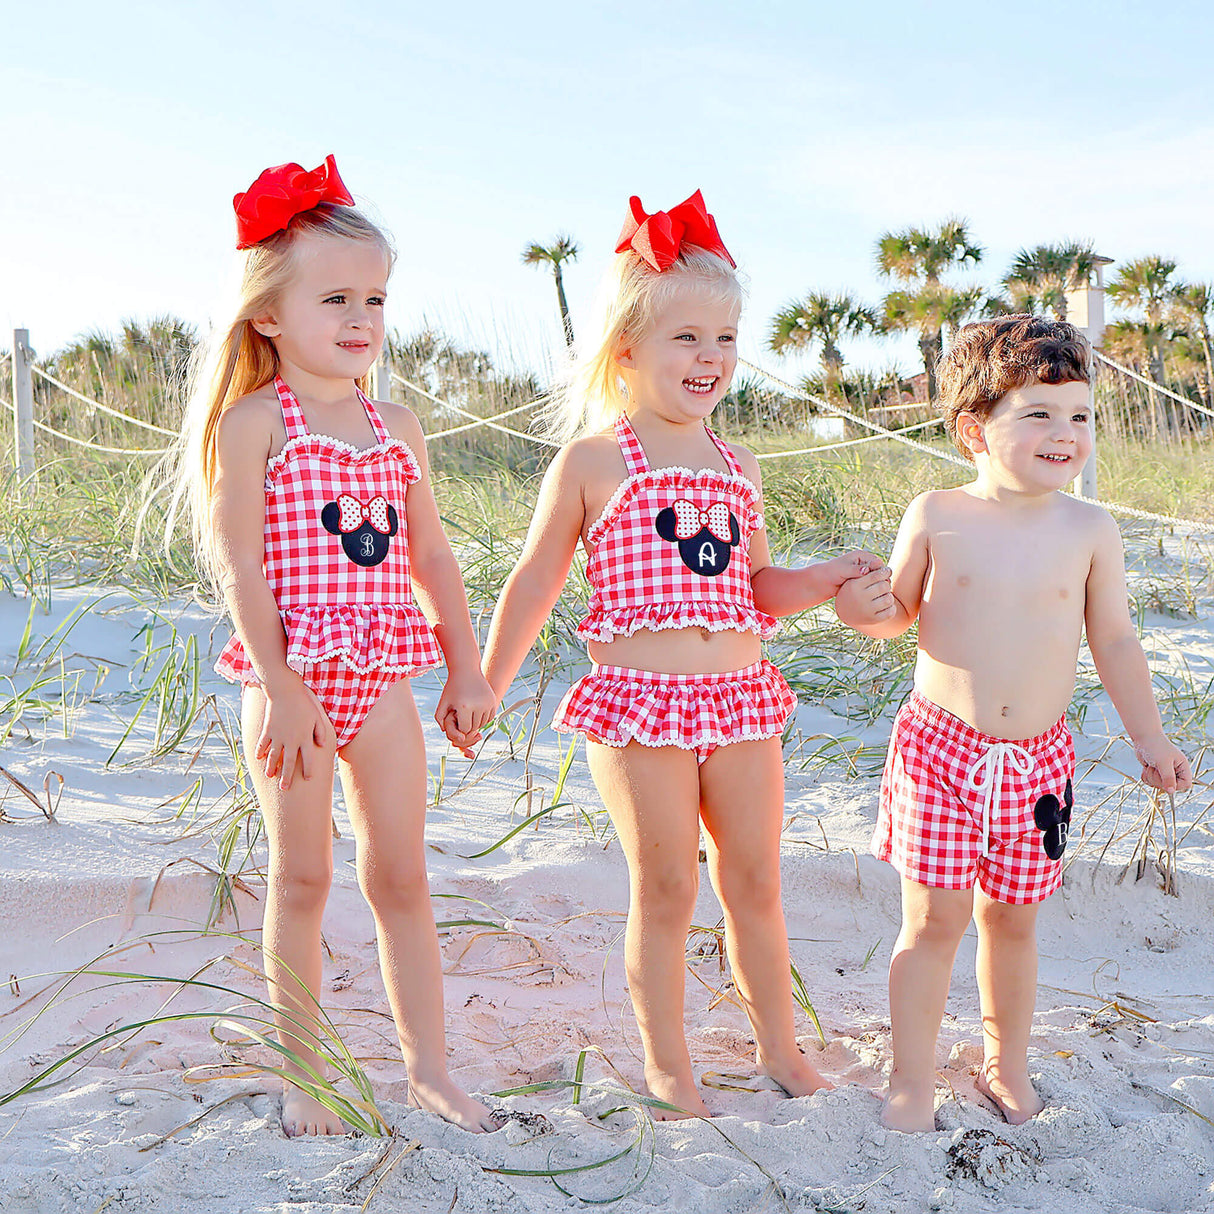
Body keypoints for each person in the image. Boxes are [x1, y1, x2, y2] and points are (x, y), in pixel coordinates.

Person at [479, 191, 888, 1118]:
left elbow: (754, 590)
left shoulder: (737, 464)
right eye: (686, 340)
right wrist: (487, 683)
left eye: (726, 339)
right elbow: (536, 582)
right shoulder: (595, 461)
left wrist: (822, 576)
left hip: (739, 697)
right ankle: (669, 1066)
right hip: (638, 701)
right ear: (626, 347)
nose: (710, 359)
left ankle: (780, 1050)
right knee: (665, 887)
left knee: (755, 883)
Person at [175, 156, 498, 1135]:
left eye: (374, 298)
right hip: (295, 682)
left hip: (382, 685)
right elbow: (242, 565)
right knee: (303, 877)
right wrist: (278, 682)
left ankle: (429, 1069)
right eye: (335, 298)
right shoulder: (252, 424)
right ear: (268, 315)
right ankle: (302, 1074)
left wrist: (467, 664)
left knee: (401, 873)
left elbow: (430, 555)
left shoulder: (393, 424)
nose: (361, 317)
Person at [835, 314, 1193, 1132]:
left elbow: (1115, 640)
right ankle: (912, 1080)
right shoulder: (937, 513)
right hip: (939, 750)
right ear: (974, 428)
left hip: (1038, 761)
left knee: (1013, 921)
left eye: (1079, 416)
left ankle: (1006, 1065)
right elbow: (899, 616)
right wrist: (865, 611)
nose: (1064, 434)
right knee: (931, 922)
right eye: (1037, 413)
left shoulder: (1089, 530)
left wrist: (1150, 737)